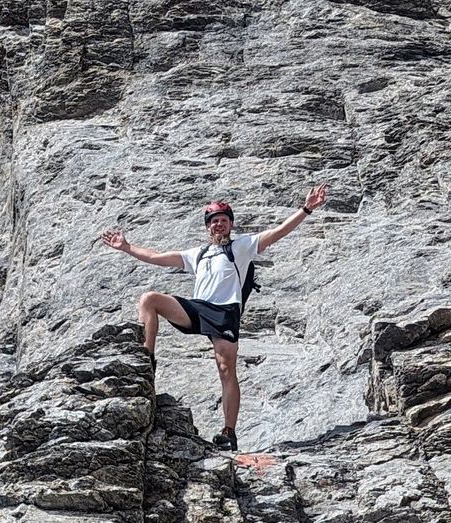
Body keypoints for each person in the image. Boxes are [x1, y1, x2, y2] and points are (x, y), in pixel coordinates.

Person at [98, 186, 328, 451]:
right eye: (214, 221)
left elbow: (278, 233)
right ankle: (145, 362)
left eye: (223, 220)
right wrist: (127, 248)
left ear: (230, 225)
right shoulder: (198, 254)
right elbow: (158, 258)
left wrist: (307, 209)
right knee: (149, 299)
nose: (219, 224)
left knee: (226, 368)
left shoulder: (242, 246)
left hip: (225, 313)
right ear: (208, 227)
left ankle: (229, 432)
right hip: (197, 308)